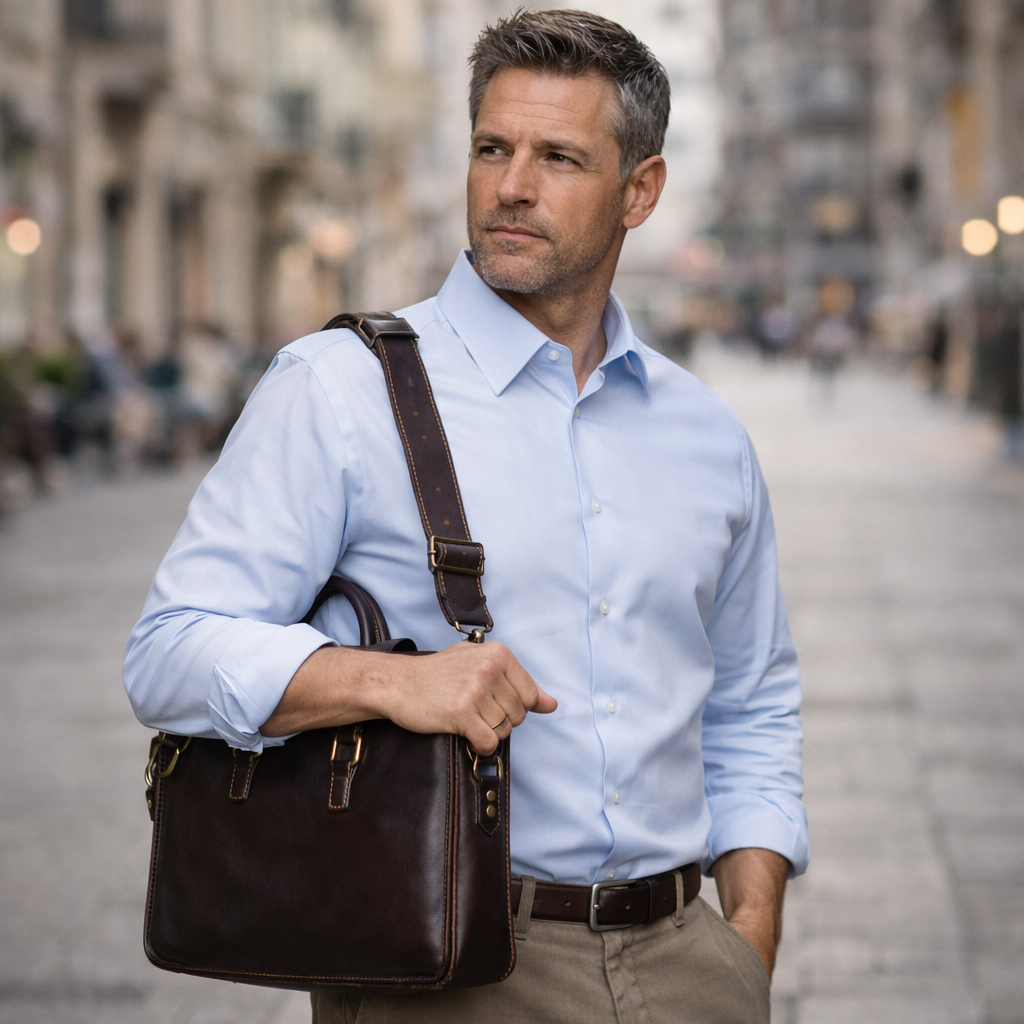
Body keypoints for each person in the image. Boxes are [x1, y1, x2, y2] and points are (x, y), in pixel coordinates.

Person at [124, 10, 807, 1023]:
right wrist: (394, 683)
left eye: (559, 157)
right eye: (494, 147)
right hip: (448, 962)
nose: (512, 185)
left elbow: (751, 702)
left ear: (641, 190)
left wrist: (746, 936)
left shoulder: (705, 433)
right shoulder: (335, 390)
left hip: (689, 965)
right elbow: (167, 655)